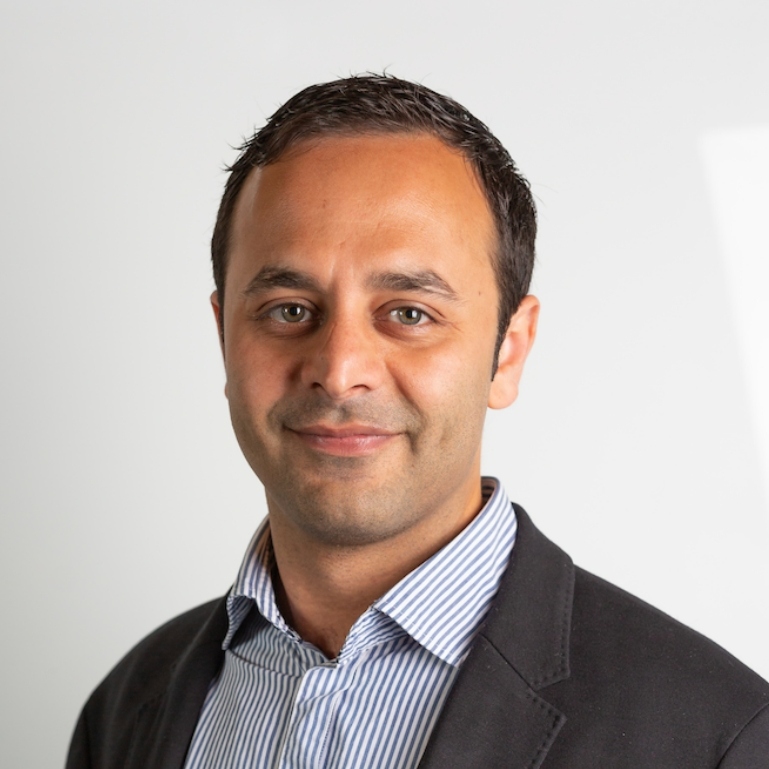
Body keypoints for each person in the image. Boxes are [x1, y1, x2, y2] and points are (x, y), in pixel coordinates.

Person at [66, 75, 769, 769]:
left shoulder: (721, 737)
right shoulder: (124, 711)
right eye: (289, 309)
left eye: (409, 313)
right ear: (224, 338)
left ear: (508, 352)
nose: (340, 370)